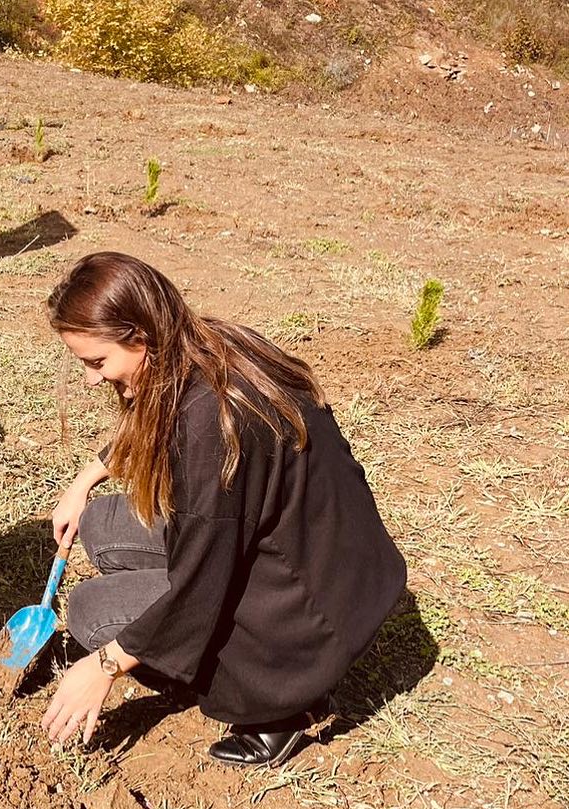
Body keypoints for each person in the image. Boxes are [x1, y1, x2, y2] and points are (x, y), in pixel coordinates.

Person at [39, 252, 406, 767]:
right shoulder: (208, 344)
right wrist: (87, 477)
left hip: (303, 618)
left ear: (140, 337)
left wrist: (103, 667)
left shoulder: (208, 429)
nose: (92, 380)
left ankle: (283, 712)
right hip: (322, 558)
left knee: (92, 611)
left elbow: (200, 583)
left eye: (98, 363)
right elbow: (154, 418)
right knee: (100, 525)